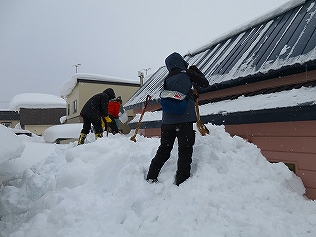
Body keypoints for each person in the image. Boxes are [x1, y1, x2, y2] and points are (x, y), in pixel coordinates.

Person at [146, 52, 209, 185]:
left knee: (164, 149)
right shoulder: (187, 73)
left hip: (167, 122)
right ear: (181, 61)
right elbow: (205, 83)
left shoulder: (167, 78)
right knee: (185, 150)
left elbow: (176, 94)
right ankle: (182, 180)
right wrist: (197, 72)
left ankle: (151, 176)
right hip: (184, 120)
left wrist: (190, 94)